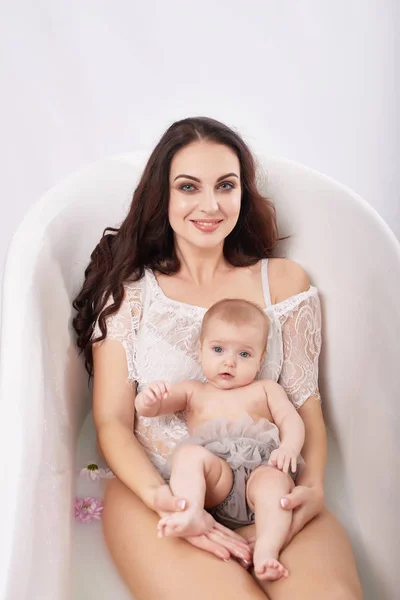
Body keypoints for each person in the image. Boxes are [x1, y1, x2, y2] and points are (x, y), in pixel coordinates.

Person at [73, 116, 362, 599]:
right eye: (188, 187)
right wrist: (163, 499)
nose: (210, 205)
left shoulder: (284, 283)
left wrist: (309, 489)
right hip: (159, 490)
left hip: (267, 487)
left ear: (242, 194)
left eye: (225, 186)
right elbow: (112, 423)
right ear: (161, 196)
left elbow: (306, 406)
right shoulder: (129, 294)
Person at [135, 297, 306, 581]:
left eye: (244, 355)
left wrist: (289, 446)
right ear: (199, 350)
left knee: (275, 483)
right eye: (218, 349)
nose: (229, 361)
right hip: (216, 481)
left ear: (261, 359)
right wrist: (148, 400)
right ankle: (189, 511)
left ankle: (267, 549)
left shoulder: (266, 389)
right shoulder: (193, 391)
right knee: (189, 457)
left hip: (259, 471)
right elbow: (152, 410)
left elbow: (291, 420)